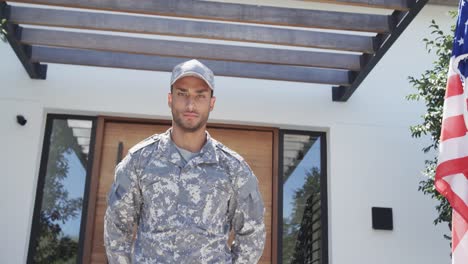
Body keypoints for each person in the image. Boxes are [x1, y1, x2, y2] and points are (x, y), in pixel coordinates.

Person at [104, 59, 266, 263]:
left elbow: (252, 234)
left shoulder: (234, 169)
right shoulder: (139, 161)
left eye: (200, 96)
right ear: (170, 99)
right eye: (182, 94)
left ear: (212, 103)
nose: (190, 104)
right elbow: (117, 228)